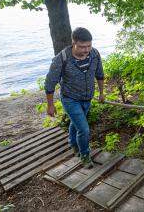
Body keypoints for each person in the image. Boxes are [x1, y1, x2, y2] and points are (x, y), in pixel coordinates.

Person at [44, 27, 105, 168]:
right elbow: (50, 83)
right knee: (83, 129)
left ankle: (72, 142)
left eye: (89, 45)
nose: (86, 50)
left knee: (76, 122)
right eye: (82, 47)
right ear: (73, 43)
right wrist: (50, 105)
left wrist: (101, 93)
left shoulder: (95, 54)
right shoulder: (61, 59)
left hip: (87, 97)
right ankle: (84, 154)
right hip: (70, 98)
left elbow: (100, 74)